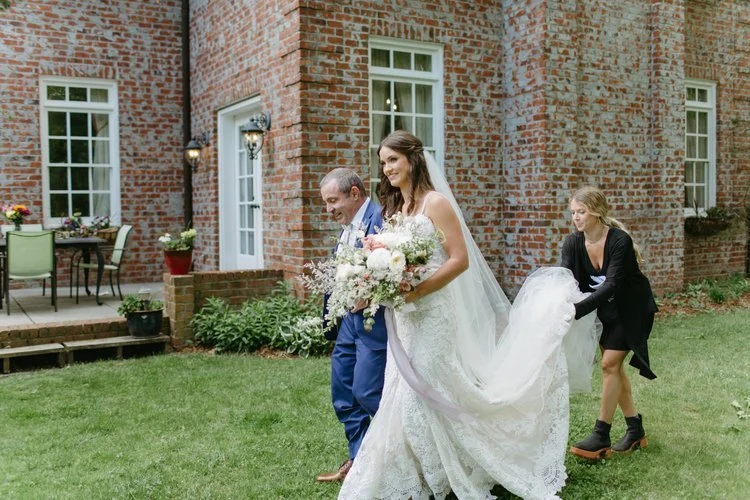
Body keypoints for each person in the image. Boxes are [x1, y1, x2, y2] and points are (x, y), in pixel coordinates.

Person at [338, 131, 600, 499]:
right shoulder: (397, 210)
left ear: (412, 159)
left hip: (433, 313)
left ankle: (454, 466)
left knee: (430, 389)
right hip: (406, 317)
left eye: (392, 159)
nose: (387, 168)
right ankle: (420, 470)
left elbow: (458, 260)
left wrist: (417, 289)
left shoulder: (435, 203)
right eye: (383, 162)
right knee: (401, 392)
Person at [562, 186, 657, 460]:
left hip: (631, 309)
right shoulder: (573, 243)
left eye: (581, 212)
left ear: (597, 212)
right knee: (613, 368)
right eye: (573, 212)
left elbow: (614, 283)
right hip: (604, 312)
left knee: (609, 364)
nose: (576, 218)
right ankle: (635, 429)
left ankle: (600, 434)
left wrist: (578, 310)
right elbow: (565, 279)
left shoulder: (619, 241)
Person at [316, 168, 388, 483]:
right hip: (347, 322)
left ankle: (397, 455)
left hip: (376, 323)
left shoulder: (383, 220)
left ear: (355, 194)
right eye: (326, 202)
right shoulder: (347, 228)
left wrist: (371, 293)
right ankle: (360, 461)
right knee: (343, 391)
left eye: (333, 201)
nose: (329, 209)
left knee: (368, 391)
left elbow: (398, 270)